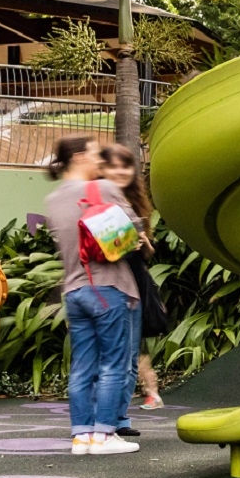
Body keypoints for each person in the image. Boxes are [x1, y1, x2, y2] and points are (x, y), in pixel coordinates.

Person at [44, 136, 141, 455]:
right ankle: (104, 437)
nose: (101, 160)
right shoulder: (103, 188)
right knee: (114, 364)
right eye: (97, 153)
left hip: (74, 290)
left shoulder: (54, 199)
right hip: (107, 287)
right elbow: (132, 233)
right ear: (80, 156)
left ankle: (82, 437)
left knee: (82, 366)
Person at [100, 143, 164, 425]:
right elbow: (102, 251)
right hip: (110, 283)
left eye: (125, 166)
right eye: (113, 166)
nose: (120, 172)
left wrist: (143, 243)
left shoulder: (133, 203)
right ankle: (108, 419)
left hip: (136, 282)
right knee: (116, 355)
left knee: (131, 354)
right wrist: (121, 245)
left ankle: (121, 418)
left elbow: (146, 253)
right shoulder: (99, 202)